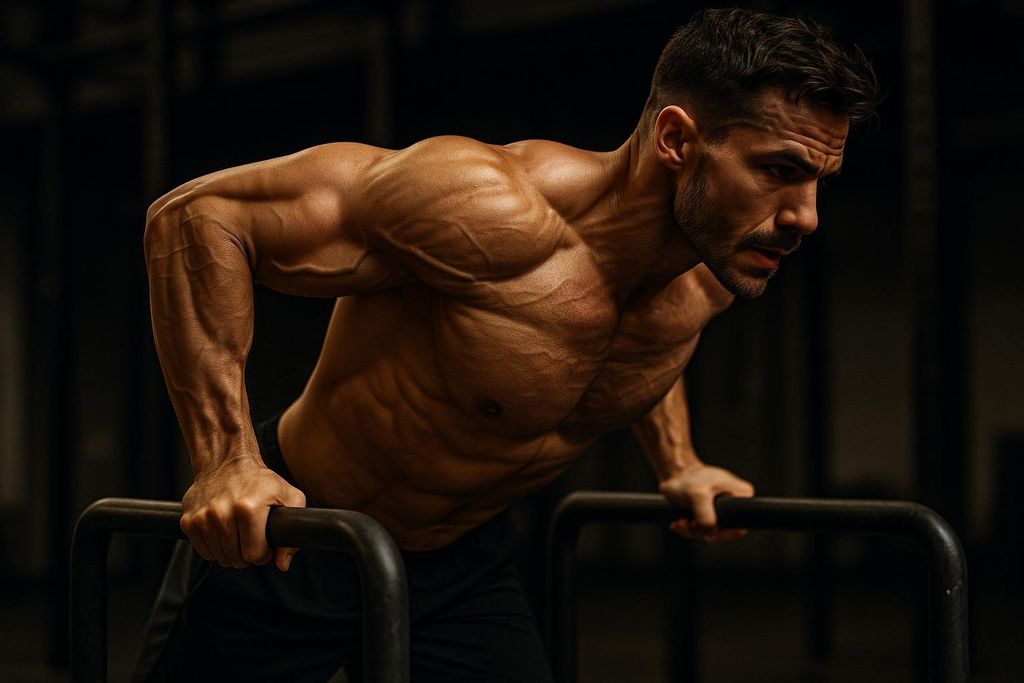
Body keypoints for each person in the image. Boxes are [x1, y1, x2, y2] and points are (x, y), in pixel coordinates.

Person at [134, 7, 878, 682]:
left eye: (819, 180)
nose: (806, 216)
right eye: (779, 170)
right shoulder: (489, 207)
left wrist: (679, 464)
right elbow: (200, 216)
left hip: (465, 564)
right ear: (677, 139)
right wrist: (226, 462)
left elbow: (636, 339)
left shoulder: (706, 275)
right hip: (299, 537)